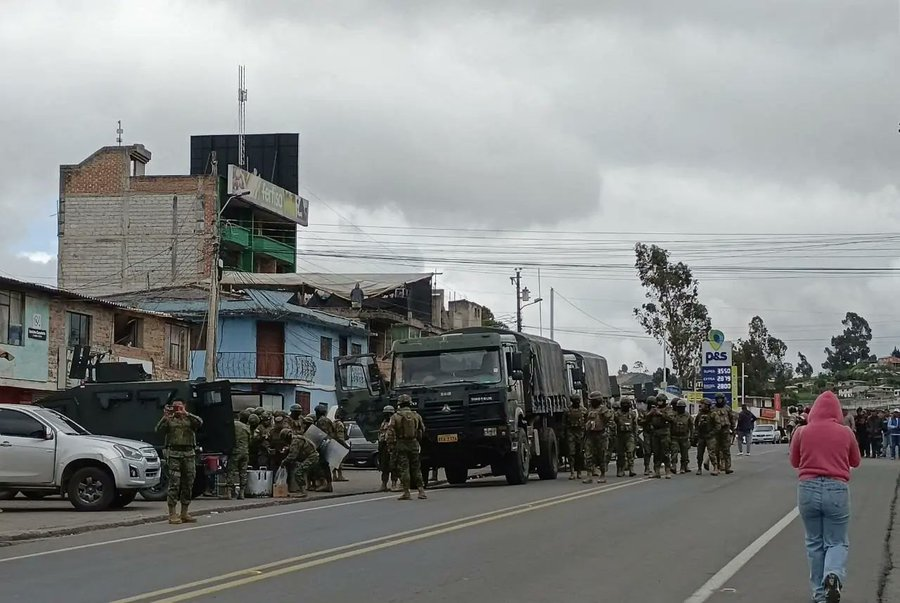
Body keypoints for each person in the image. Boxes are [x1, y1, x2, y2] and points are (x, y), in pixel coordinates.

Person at [790, 391, 860, 603]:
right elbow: (855, 461)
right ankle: (833, 575)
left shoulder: (802, 431)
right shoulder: (846, 432)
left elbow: (795, 461)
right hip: (836, 488)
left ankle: (820, 595)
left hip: (808, 488)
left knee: (814, 542)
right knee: (836, 541)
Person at [155, 400, 203, 524]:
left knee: (189, 483)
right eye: (175, 406)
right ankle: (172, 513)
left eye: (179, 406)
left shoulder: (190, 419)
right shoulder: (170, 420)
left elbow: (200, 423)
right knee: (174, 484)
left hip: (189, 454)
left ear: (184, 406)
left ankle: (184, 512)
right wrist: (165, 417)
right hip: (174, 454)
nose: (177, 409)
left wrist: (186, 413)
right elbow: (158, 430)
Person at [388, 394, 427, 500]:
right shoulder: (416, 416)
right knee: (416, 468)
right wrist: (417, 441)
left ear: (399, 404)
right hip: (414, 443)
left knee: (404, 468)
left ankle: (406, 492)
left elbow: (390, 433)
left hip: (401, 444)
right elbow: (422, 430)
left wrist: (391, 446)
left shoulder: (396, 416)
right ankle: (421, 491)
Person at [583, 391, 614, 484]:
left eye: (593, 400)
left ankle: (603, 474)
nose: (591, 402)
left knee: (602, 455)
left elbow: (609, 419)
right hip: (590, 435)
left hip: (601, 434)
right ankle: (589, 475)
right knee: (588, 455)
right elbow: (585, 419)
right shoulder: (589, 410)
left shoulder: (603, 410)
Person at [281, 429, 318, 497]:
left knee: (298, 473)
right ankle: (304, 490)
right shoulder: (296, 438)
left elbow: (292, 456)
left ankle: (303, 492)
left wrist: (284, 462)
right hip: (312, 456)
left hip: (311, 457)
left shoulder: (295, 441)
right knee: (300, 471)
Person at [645, 394, 674, 479]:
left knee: (665, 452)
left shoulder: (668, 409)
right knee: (656, 452)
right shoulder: (653, 409)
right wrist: (650, 414)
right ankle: (656, 471)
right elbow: (645, 420)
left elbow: (671, 419)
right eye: (658, 401)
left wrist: (661, 414)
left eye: (661, 401)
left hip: (664, 431)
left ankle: (667, 470)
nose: (659, 402)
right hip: (655, 432)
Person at [224, 412, 251, 499]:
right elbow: (250, 440)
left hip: (235, 452)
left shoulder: (233, 425)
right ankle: (242, 493)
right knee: (243, 472)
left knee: (231, 471)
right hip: (245, 452)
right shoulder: (247, 427)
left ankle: (229, 492)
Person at [693, 399, 719, 476]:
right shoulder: (699, 414)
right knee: (699, 454)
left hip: (710, 436)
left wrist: (712, 433)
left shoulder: (713, 414)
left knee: (711, 453)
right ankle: (699, 468)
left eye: (703, 404)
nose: (701, 406)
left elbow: (718, 425)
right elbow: (696, 425)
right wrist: (696, 434)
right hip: (701, 436)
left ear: (707, 405)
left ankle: (715, 468)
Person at [564, 395, 587, 481]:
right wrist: (563, 433)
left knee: (579, 454)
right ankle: (572, 472)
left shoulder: (584, 410)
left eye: (578, 400)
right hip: (571, 433)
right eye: (575, 400)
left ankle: (579, 471)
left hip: (580, 433)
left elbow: (587, 422)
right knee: (571, 453)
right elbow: (564, 423)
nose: (576, 402)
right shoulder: (567, 411)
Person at [614, 398, 637, 477]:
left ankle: (631, 468)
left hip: (629, 435)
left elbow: (635, 425)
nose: (626, 405)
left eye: (627, 404)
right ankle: (620, 469)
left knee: (630, 452)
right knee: (620, 454)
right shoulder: (617, 414)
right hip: (620, 435)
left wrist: (635, 435)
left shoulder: (632, 414)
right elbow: (613, 425)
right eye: (624, 404)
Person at [712, 394, 735, 474]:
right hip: (716, 432)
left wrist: (733, 428)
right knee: (716, 450)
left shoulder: (727, 408)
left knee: (726, 450)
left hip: (725, 431)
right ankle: (717, 467)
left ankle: (727, 467)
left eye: (720, 399)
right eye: (718, 399)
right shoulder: (713, 409)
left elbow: (732, 419)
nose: (719, 400)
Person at [378, 405, 398, 492]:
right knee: (384, 466)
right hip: (383, 446)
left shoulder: (395, 422)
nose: (386, 415)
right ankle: (384, 484)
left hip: (392, 445)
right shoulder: (383, 422)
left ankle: (394, 484)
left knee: (393, 466)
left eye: (388, 414)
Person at [669, 399, 693, 474]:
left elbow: (691, 426)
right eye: (679, 407)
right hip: (674, 436)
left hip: (684, 437)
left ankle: (683, 466)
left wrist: (692, 436)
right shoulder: (673, 415)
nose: (680, 409)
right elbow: (669, 426)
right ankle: (673, 465)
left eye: (682, 407)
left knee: (684, 453)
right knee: (674, 451)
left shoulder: (687, 415)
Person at [332, 409, 349, 482]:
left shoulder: (333, 423)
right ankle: (340, 475)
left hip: (333, 443)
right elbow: (340, 437)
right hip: (338, 443)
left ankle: (334, 476)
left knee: (334, 460)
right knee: (339, 460)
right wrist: (346, 446)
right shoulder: (340, 424)